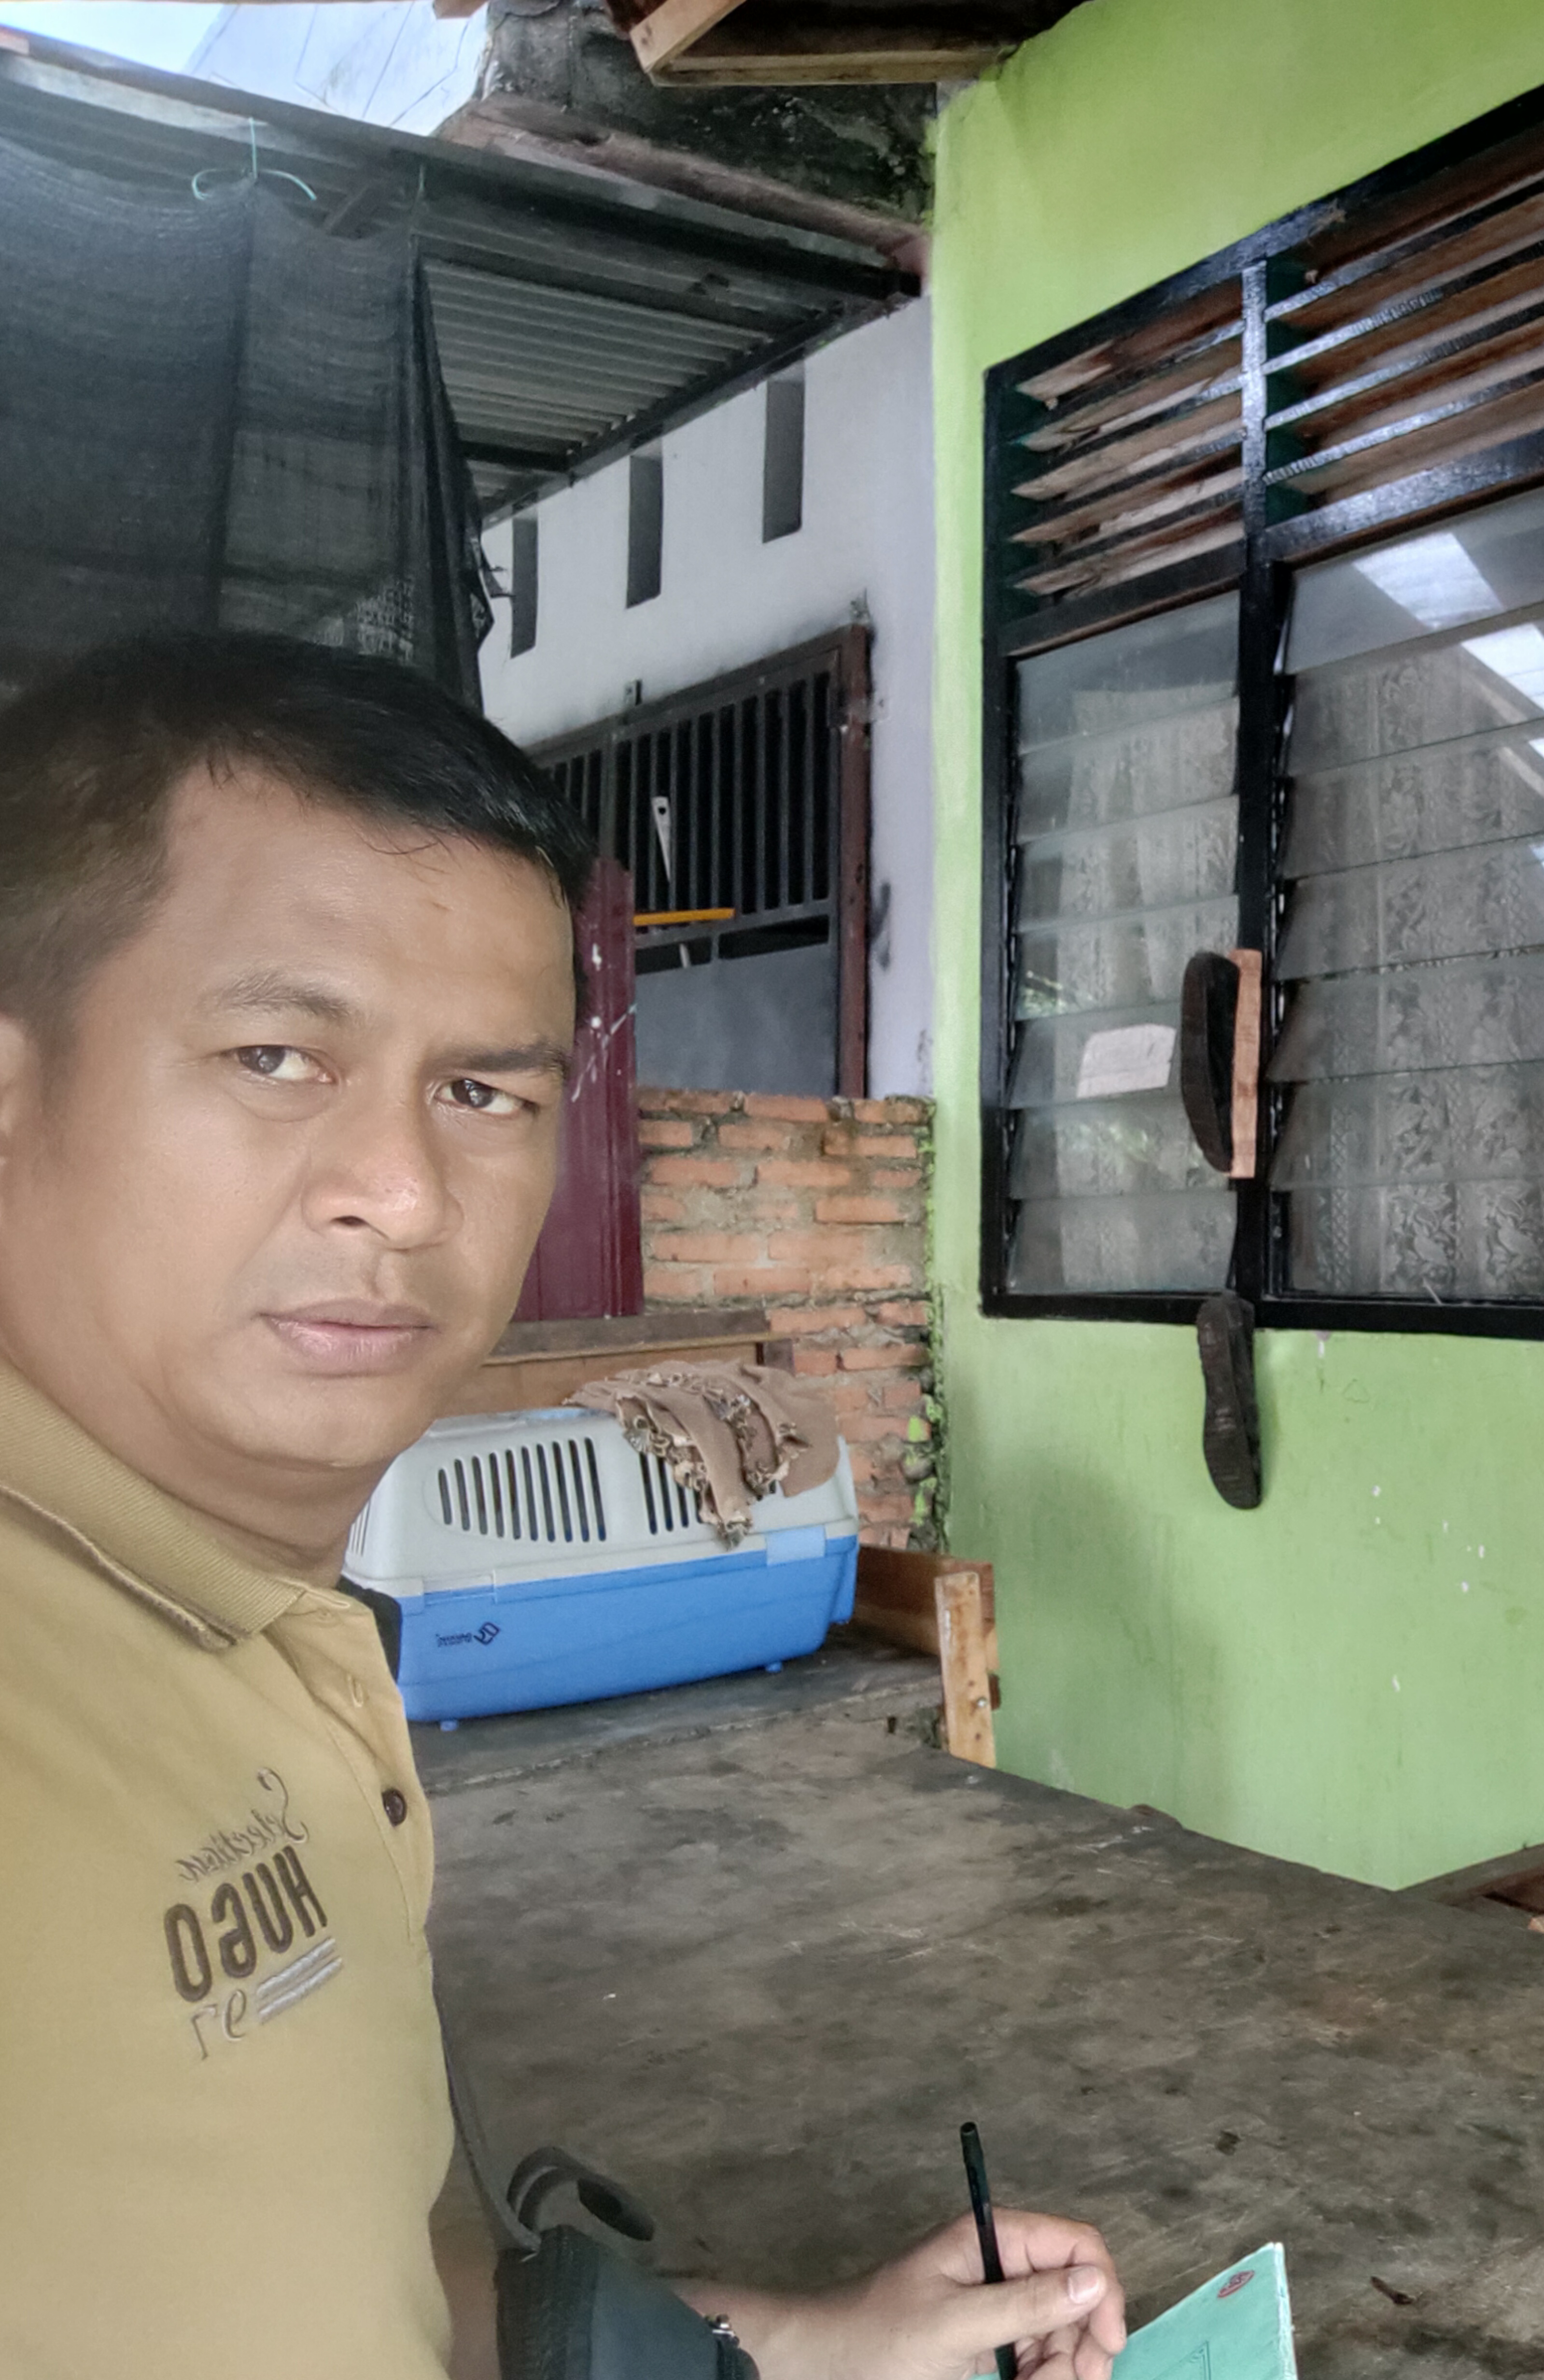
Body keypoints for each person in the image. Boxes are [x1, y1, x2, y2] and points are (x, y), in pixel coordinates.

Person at [0, 635, 1130, 2380]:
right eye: (277, 1056)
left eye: (483, 1093)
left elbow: (379, 2283)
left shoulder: (281, 1632)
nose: (403, 1190)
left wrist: (816, 2348)